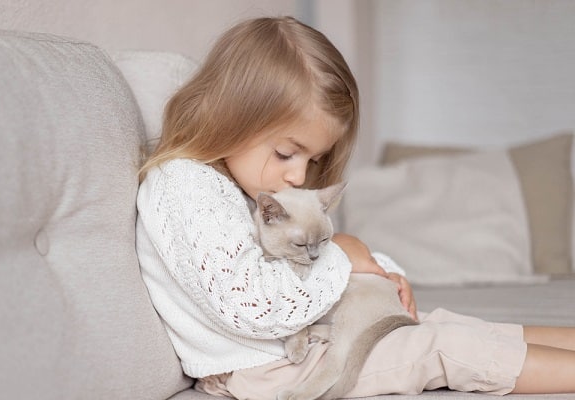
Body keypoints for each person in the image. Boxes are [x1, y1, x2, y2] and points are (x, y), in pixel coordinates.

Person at [135, 16, 575, 399]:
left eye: (311, 160)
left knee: (453, 325)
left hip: (306, 341)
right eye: (288, 152)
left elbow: (303, 267)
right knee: (443, 347)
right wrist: (343, 255)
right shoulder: (185, 186)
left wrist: (379, 271)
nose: (299, 177)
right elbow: (255, 306)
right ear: (231, 114)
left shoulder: (238, 182)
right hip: (272, 370)